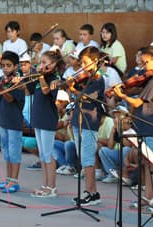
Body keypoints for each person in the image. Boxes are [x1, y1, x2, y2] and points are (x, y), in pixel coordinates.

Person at [113, 45, 153, 211]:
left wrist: (122, 96)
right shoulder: (151, 78)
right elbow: (138, 88)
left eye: (145, 63)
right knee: (147, 164)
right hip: (144, 125)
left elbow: (137, 102)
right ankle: (148, 196)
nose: (142, 67)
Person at [57, 46, 105, 206]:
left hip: (89, 123)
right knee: (83, 158)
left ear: (95, 62)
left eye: (85, 62)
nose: (82, 66)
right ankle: (92, 192)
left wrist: (73, 89)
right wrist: (68, 88)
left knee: (87, 158)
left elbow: (89, 98)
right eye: (82, 62)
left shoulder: (98, 79)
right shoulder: (85, 79)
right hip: (78, 120)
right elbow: (74, 98)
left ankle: (90, 193)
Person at [28, 48, 63, 197]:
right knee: (42, 155)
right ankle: (44, 185)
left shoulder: (54, 78)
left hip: (48, 118)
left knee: (48, 155)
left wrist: (41, 76)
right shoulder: (40, 76)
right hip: (38, 117)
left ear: (53, 64)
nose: (41, 65)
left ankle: (52, 187)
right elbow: (29, 89)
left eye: (44, 63)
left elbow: (46, 91)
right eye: (40, 62)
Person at [0, 51, 25, 193]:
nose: (5, 68)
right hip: (4, 119)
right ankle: (7, 179)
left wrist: (2, 89)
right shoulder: (3, 79)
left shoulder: (18, 81)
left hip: (14, 121)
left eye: (8, 66)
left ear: (16, 66)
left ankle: (14, 181)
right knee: (6, 150)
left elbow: (10, 99)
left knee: (14, 151)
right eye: (3, 66)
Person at [99, 106, 134, 185]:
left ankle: (126, 176)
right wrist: (112, 132)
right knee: (103, 150)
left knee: (126, 150)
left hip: (130, 157)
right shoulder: (116, 129)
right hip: (119, 154)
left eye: (118, 117)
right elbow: (110, 146)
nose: (115, 119)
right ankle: (113, 175)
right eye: (115, 117)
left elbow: (128, 145)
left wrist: (120, 131)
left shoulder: (130, 128)